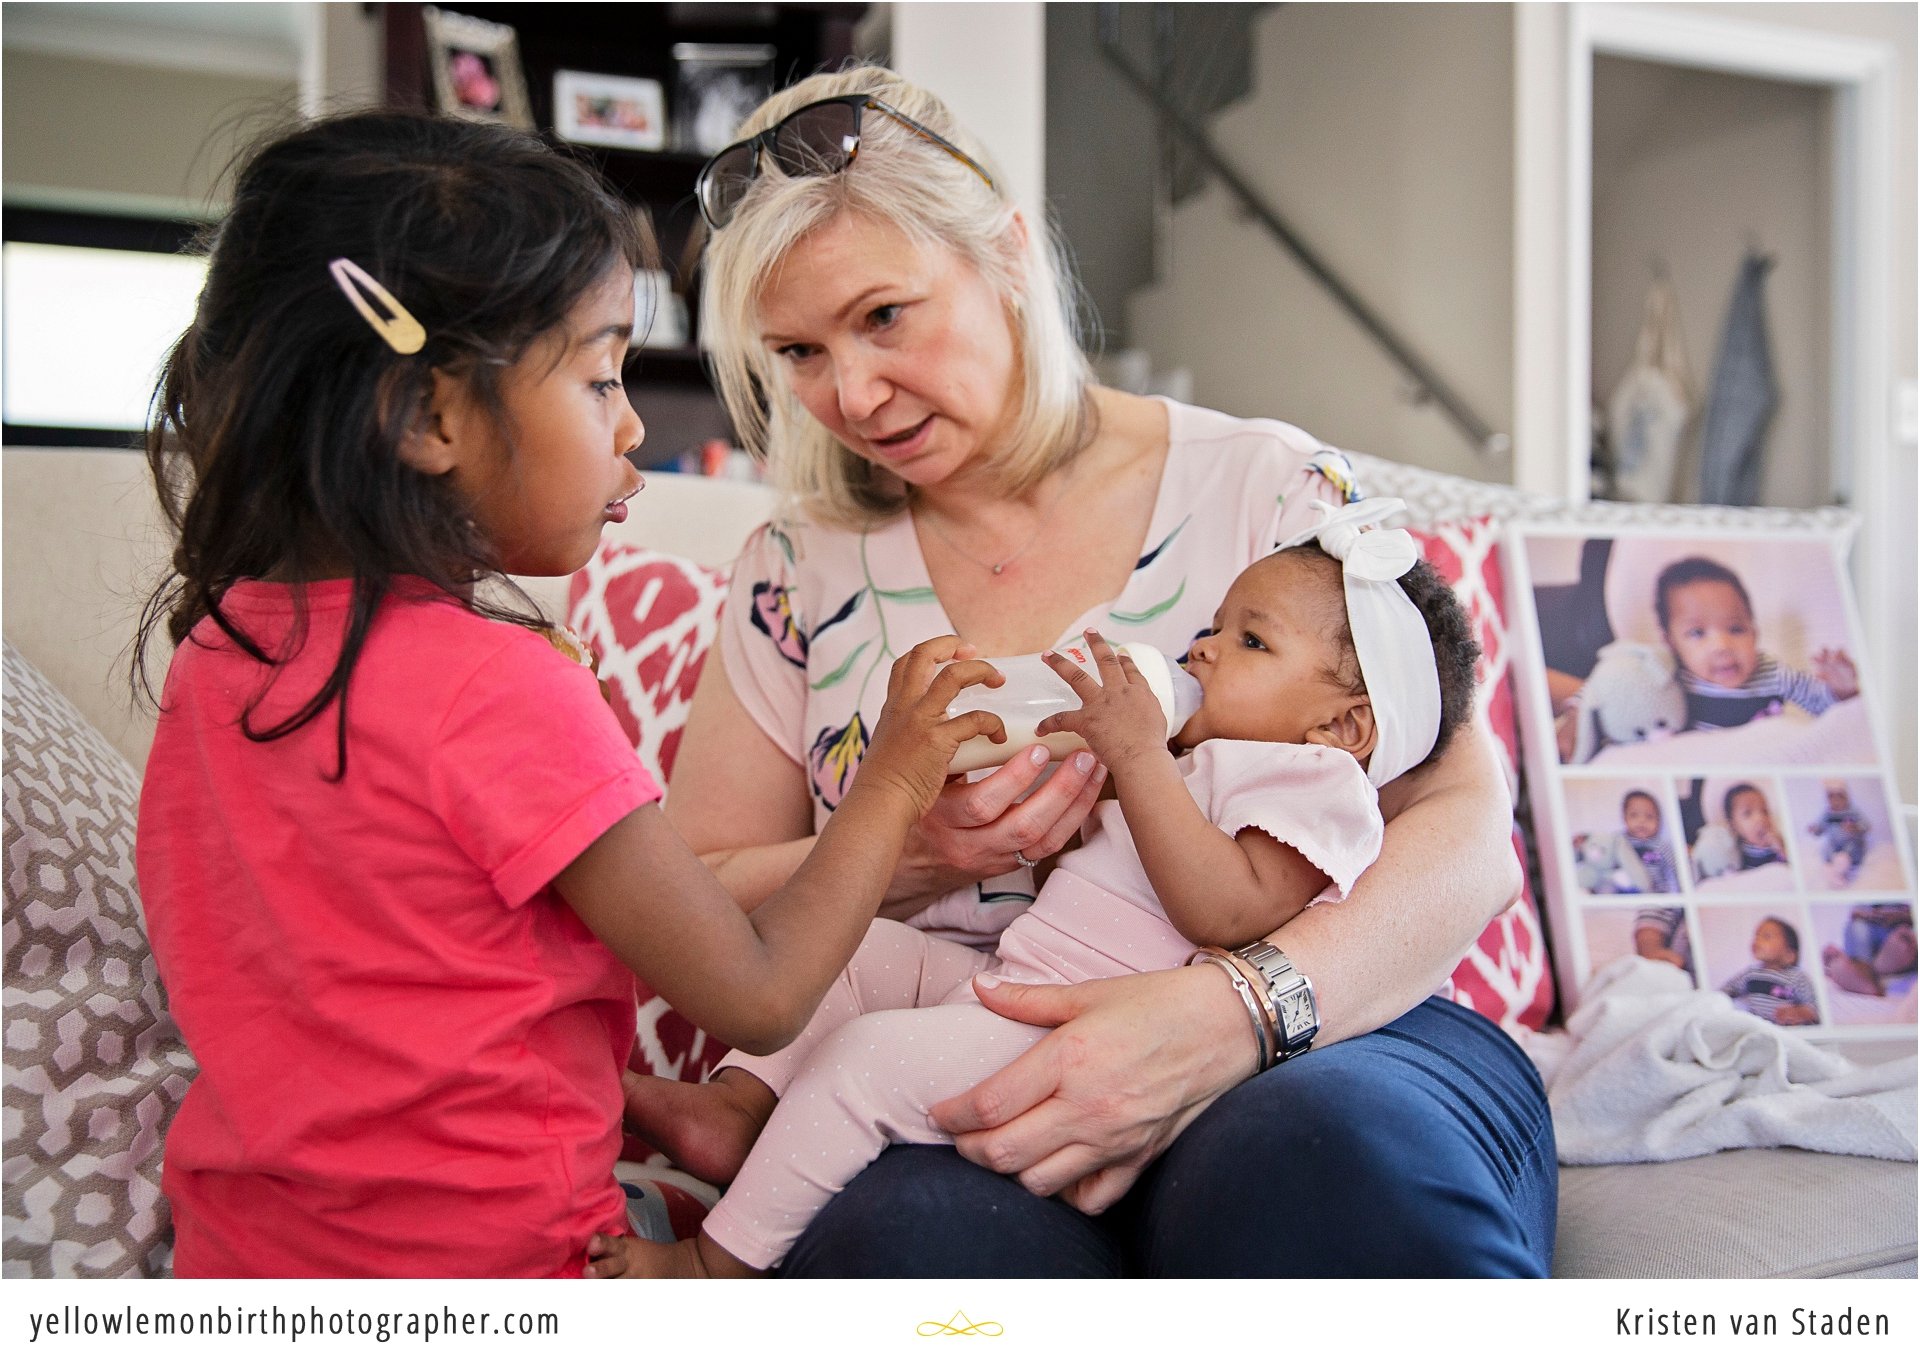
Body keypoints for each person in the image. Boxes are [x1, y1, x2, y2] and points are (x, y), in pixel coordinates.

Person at [664, 64, 1554, 1277]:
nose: (852, 395)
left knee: (1326, 1159)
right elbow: (697, 887)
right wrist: (905, 849)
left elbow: (1468, 833)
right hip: (972, 1037)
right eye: (798, 352)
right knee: (910, 1248)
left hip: (1323, 1036)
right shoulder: (796, 568)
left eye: (884, 317)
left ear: (1006, 252)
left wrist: (1233, 1010)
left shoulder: (1267, 488)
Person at [132, 110, 1010, 1278]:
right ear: (427, 415)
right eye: (600, 378)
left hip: (243, 1264)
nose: (634, 423)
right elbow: (757, 992)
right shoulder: (498, 686)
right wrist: (893, 783)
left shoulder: (218, 654)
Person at [596, 505, 1482, 1277]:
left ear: (1344, 724)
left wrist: (1137, 757)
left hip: (1080, 1036)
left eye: (1251, 641)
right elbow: (1088, 880)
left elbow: (1226, 910)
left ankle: (714, 1263)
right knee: (860, 956)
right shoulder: (1199, 757)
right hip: (1018, 978)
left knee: (866, 1061)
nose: (1205, 647)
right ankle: (739, 1106)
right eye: (1215, 625)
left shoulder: (1319, 788)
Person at [1654, 556, 1858, 732]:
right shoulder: (1673, 681)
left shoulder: (1773, 674)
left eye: (1736, 629)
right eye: (1697, 633)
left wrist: (1841, 690)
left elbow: (1825, 710)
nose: (1721, 646)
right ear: (1671, 643)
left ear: (1754, 633)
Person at [1577, 789, 1680, 895]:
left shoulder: (1661, 845)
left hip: (1654, 897)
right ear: (1625, 818)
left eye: (1649, 816)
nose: (1642, 821)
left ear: (1658, 820)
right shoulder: (1617, 841)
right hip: (1622, 895)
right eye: (1634, 815)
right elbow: (1602, 857)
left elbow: (1679, 869)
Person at [1720, 918, 1819, 1026]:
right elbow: (1726, 991)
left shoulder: (1797, 977)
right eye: (1756, 936)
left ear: (1789, 954)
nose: (1757, 941)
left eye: (1766, 936)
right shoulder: (1751, 974)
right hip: (1758, 1027)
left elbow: (1814, 1006)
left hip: (1786, 1029)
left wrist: (1799, 1012)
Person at [1808, 779, 1870, 884]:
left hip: (1851, 843)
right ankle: (1830, 870)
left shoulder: (1853, 812)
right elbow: (1820, 828)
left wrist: (1855, 828)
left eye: (1840, 797)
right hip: (1835, 844)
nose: (1836, 801)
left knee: (1849, 852)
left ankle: (1844, 872)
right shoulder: (1827, 814)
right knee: (1826, 850)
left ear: (1846, 798)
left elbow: (1866, 826)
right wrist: (1815, 829)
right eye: (1831, 798)